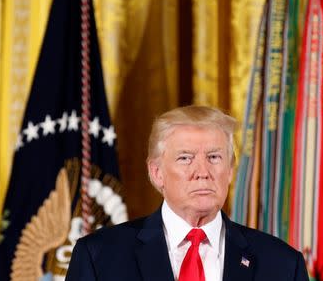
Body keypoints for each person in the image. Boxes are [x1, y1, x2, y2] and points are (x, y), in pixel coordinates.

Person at [66, 105, 309, 280]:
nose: (202, 171)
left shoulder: (283, 264)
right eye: (185, 158)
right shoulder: (99, 257)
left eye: (214, 157)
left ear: (230, 170)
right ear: (157, 172)